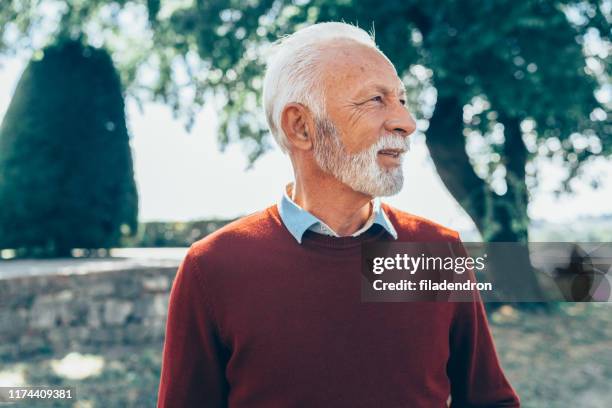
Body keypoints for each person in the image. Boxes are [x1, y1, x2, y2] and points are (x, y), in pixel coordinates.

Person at [157, 22, 520, 407]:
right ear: (301, 127)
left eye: (401, 100)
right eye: (375, 100)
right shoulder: (212, 268)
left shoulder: (437, 252)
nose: (406, 123)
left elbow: (489, 401)